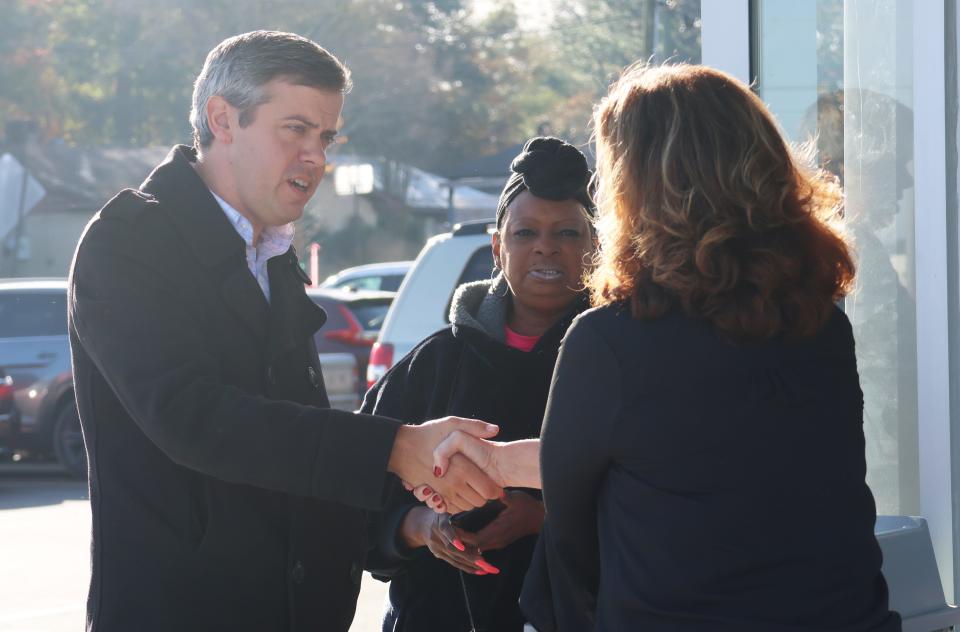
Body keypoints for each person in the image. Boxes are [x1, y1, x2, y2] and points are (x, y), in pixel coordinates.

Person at [431, 63, 902, 632]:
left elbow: (575, 535)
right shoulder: (820, 324)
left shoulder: (611, 341)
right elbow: (692, 457)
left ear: (641, 191)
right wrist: (500, 462)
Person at [68, 30, 501, 632]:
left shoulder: (269, 250)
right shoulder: (129, 239)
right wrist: (397, 447)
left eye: (324, 137)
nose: (317, 157)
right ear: (223, 118)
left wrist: (404, 523)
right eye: (294, 129)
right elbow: (195, 419)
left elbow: (291, 445)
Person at [361, 137, 596, 632]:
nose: (546, 246)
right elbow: (355, 500)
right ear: (497, 246)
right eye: (525, 231)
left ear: (597, 246)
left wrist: (544, 519)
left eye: (568, 233)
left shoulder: (616, 362)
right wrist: (422, 527)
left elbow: (666, 500)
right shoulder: (435, 363)